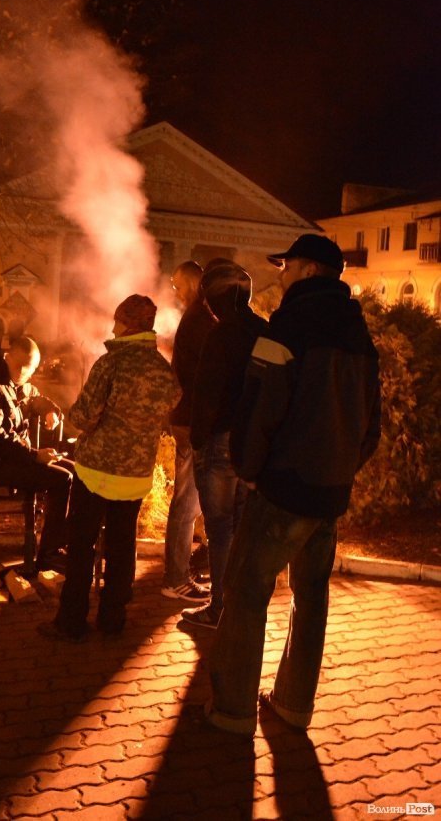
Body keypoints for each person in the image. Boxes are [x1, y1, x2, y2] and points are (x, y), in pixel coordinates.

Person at [206, 234, 381, 736]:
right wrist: (341, 468)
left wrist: (251, 468)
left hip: (282, 489)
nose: (280, 274)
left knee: (246, 592)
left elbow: (259, 407)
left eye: (287, 266)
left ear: (308, 271)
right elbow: (371, 425)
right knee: (311, 598)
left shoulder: (287, 327)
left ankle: (233, 710)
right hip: (329, 493)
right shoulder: (359, 335)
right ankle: (293, 705)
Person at [53, 295, 180, 640]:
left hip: (95, 472)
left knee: (81, 545)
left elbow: (83, 417)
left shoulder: (110, 364)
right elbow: (169, 406)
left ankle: (72, 621)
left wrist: (74, 417)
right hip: (135, 475)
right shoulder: (162, 369)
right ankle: (113, 619)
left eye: (118, 321)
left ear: (128, 324)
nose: (112, 327)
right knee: (123, 547)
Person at [181, 262, 268, 629]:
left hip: (220, 442)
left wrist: (198, 439)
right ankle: (239, 607)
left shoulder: (220, 335)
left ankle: (220, 608)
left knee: (220, 529)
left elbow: (207, 393)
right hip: (253, 444)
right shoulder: (264, 331)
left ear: (216, 297)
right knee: (243, 526)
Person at [0, 336, 72, 572]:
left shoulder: (13, 381)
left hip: (11, 459)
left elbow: (32, 397)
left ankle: (61, 544)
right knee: (63, 479)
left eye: (28, 369)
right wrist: (34, 456)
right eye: (19, 366)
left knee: (73, 470)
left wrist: (50, 409)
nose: (22, 373)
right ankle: (49, 554)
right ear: (8, 357)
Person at [161, 261, 216, 603]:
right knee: (187, 502)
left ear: (195, 283)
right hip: (192, 422)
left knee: (189, 501)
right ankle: (176, 577)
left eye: (179, 285)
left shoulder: (197, 319)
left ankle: (179, 573)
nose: (175, 292)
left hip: (189, 419)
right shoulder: (200, 320)